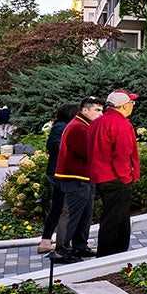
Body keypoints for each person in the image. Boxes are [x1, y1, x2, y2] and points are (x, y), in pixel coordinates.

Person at [90, 89, 142, 256]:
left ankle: (113, 253)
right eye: (132, 103)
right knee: (116, 218)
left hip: (100, 175)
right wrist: (126, 177)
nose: (133, 106)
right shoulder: (121, 124)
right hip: (116, 177)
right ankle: (111, 254)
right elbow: (122, 154)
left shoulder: (97, 122)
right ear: (125, 106)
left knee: (112, 215)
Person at [52, 99, 103, 261]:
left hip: (84, 177)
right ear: (85, 111)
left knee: (84, 215)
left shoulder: (84, 126)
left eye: (101, 110)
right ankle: (62, 250)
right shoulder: (78, 127)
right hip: (75, 178)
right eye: (97, 110)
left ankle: (80, 246)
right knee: (71, 215)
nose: (100, 114)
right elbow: (88, 153)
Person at [37, 103, 77, 254]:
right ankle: (65, 241)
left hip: (56, 171)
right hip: (59, 172)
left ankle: (46, 241)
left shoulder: (60, 126)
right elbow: (53, 145)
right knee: (66, 207)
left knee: (57, 207)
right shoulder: (62, 126)